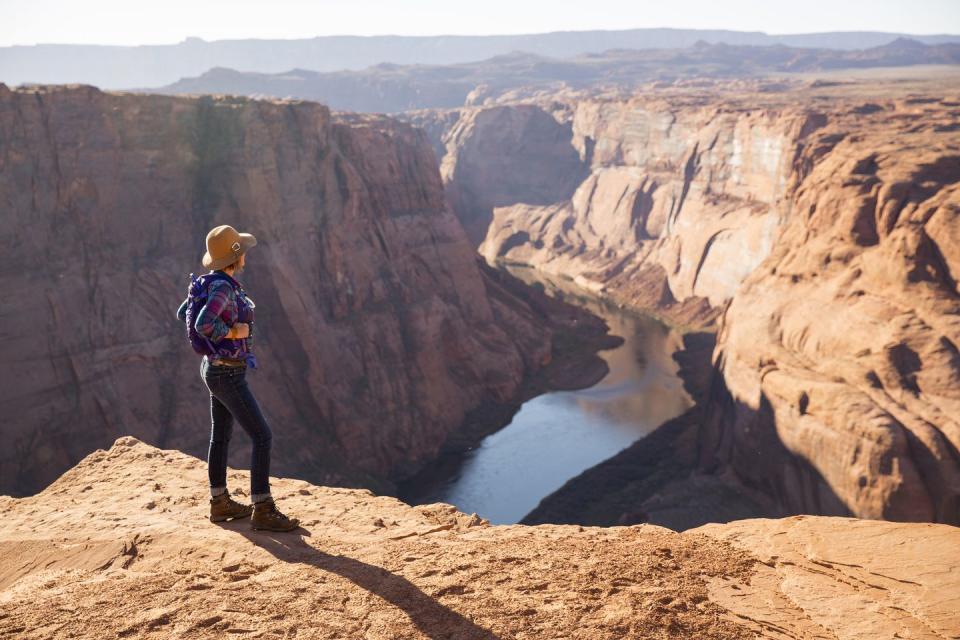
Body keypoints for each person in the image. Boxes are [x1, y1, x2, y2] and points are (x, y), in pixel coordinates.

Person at [176, 224, 300, 532]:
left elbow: (185, 314)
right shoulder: (224, 288)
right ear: (237, 256)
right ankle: (263, 508)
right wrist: (233, 331)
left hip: (212, 368)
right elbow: (204, 323)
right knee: (262, 436)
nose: (245, 254)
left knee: (221, 435)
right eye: (241, 250)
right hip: (227, 372)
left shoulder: (210, 282)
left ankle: (220, 502)